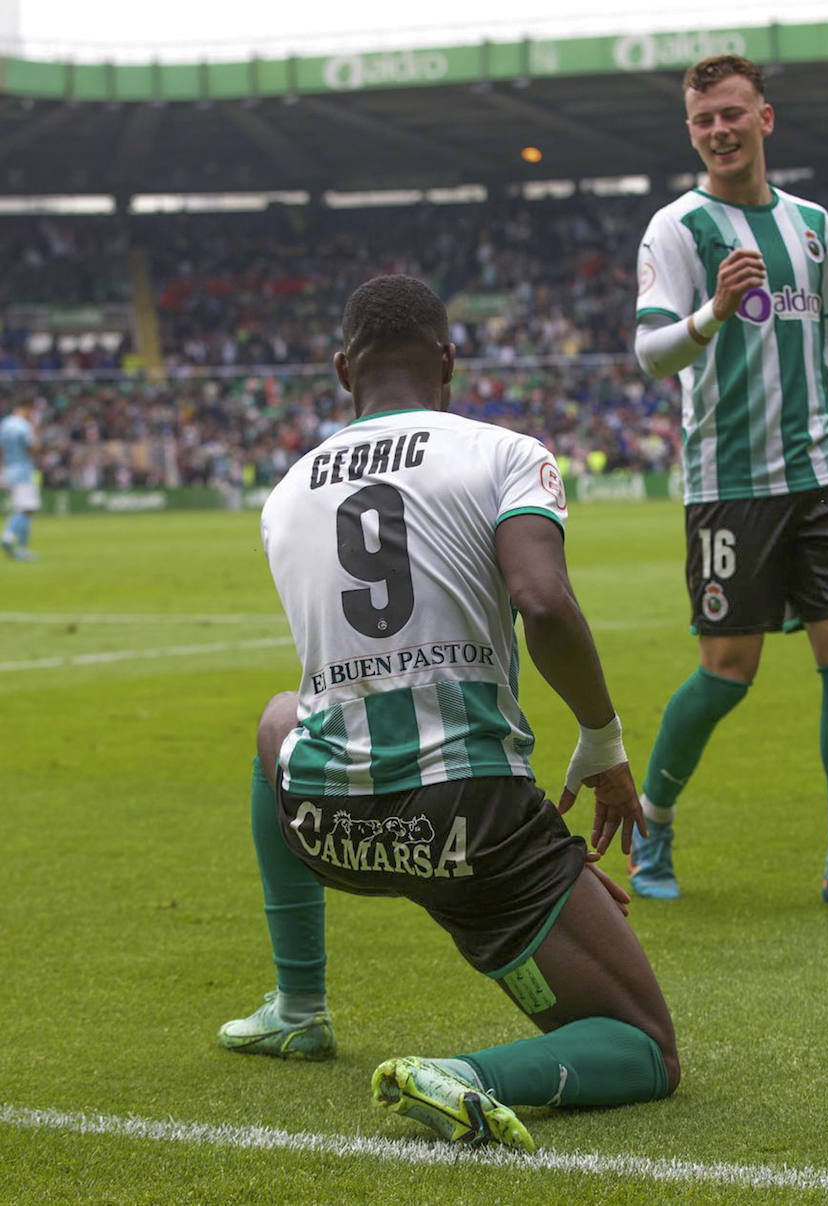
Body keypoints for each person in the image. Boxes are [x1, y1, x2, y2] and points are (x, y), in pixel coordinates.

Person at [218, 274, 678, 1151]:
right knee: (645, 1046)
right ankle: (470, 1076)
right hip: (470, 829)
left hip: (331, 823)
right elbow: (542, 604)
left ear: (342, 367)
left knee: (282, 714)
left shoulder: (284, 495)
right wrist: (603, 743)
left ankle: (298, 1006)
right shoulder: (504, 453)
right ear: (449, 361)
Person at [629, 54, 828, 907]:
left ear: (766, 118)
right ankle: (652, 824)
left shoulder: (810, 223)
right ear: (692, 132)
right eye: (702, 121)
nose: (719, 131)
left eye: (732, 114)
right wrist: (712, 312)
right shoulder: (678, 229)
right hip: (729, 482)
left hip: (822, 475)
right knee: (728, 669)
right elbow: (652, 354)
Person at [1, 397, 40, 561]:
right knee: (27, 508)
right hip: (22, 470)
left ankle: (22, 550)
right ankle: (8, 536)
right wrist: (36, 428)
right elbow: (33, 448)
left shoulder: (4, 424)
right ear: (27, 408)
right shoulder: (24, 426)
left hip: (8, 469)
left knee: (23, 509)